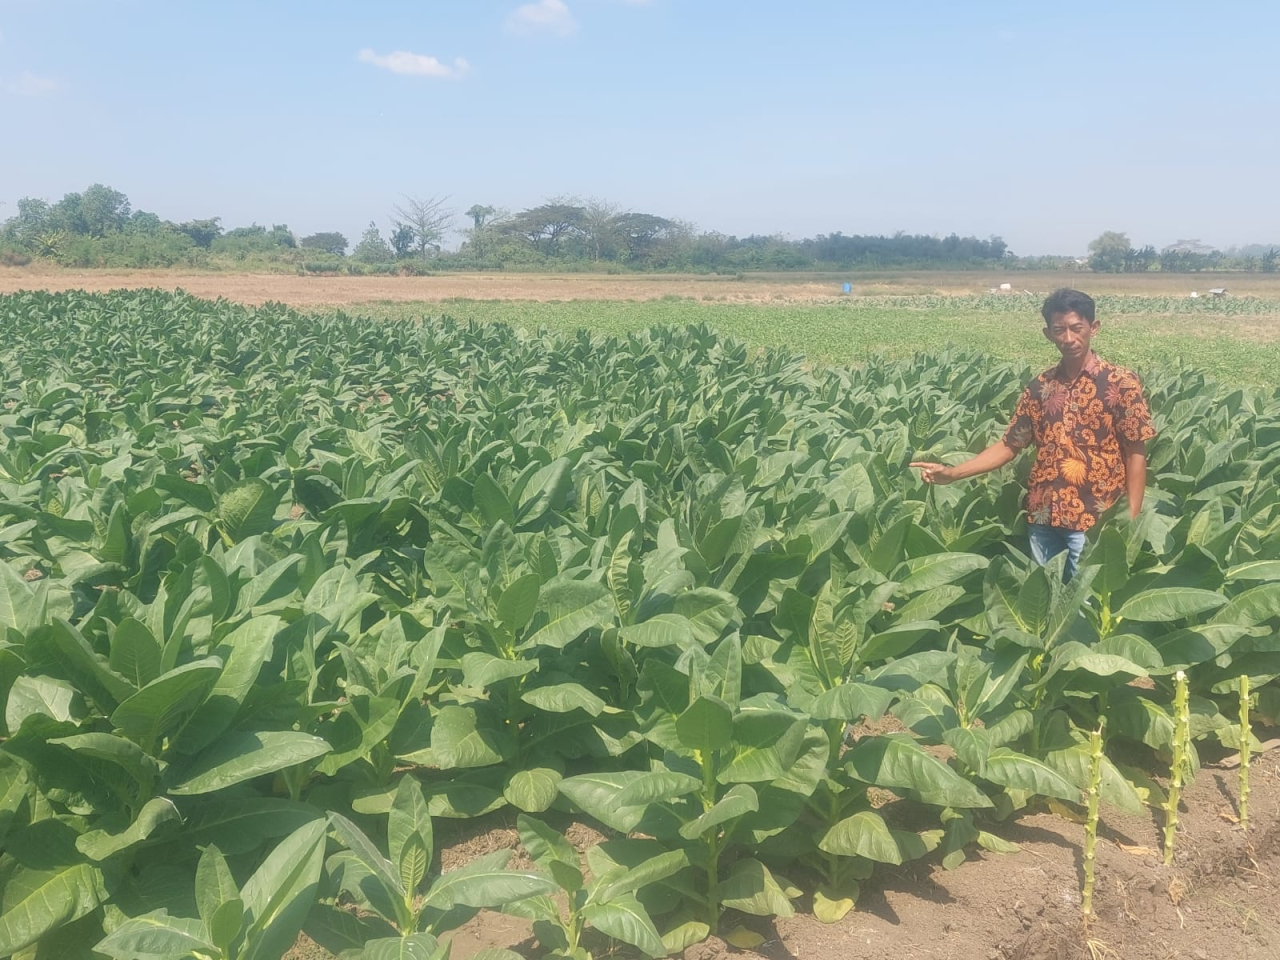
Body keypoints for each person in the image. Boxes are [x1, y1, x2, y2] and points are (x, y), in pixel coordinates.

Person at [910, 288, 1156, 580]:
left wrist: (1131, 518)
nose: (1068, 338)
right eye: (1059, 330)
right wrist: (953, 474)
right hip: (1044, 517)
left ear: (1094, 327)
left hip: (1095, 520)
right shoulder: (1040, 386)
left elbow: (1135, 454)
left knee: (1086, 608)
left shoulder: (1120, 382)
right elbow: (1009, 445)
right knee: (1048, 603)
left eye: (1077, 328)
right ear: (1047, 333)